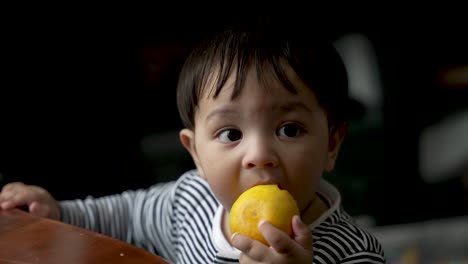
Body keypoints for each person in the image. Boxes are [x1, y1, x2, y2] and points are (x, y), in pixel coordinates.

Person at [0, 17, 386, 263]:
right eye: (231, 134)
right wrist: (58, 213)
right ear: (196, 152)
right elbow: (125, 216)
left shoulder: (353, 253)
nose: (259, 155)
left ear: (332, 143)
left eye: (289, 129)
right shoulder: (191, 201)